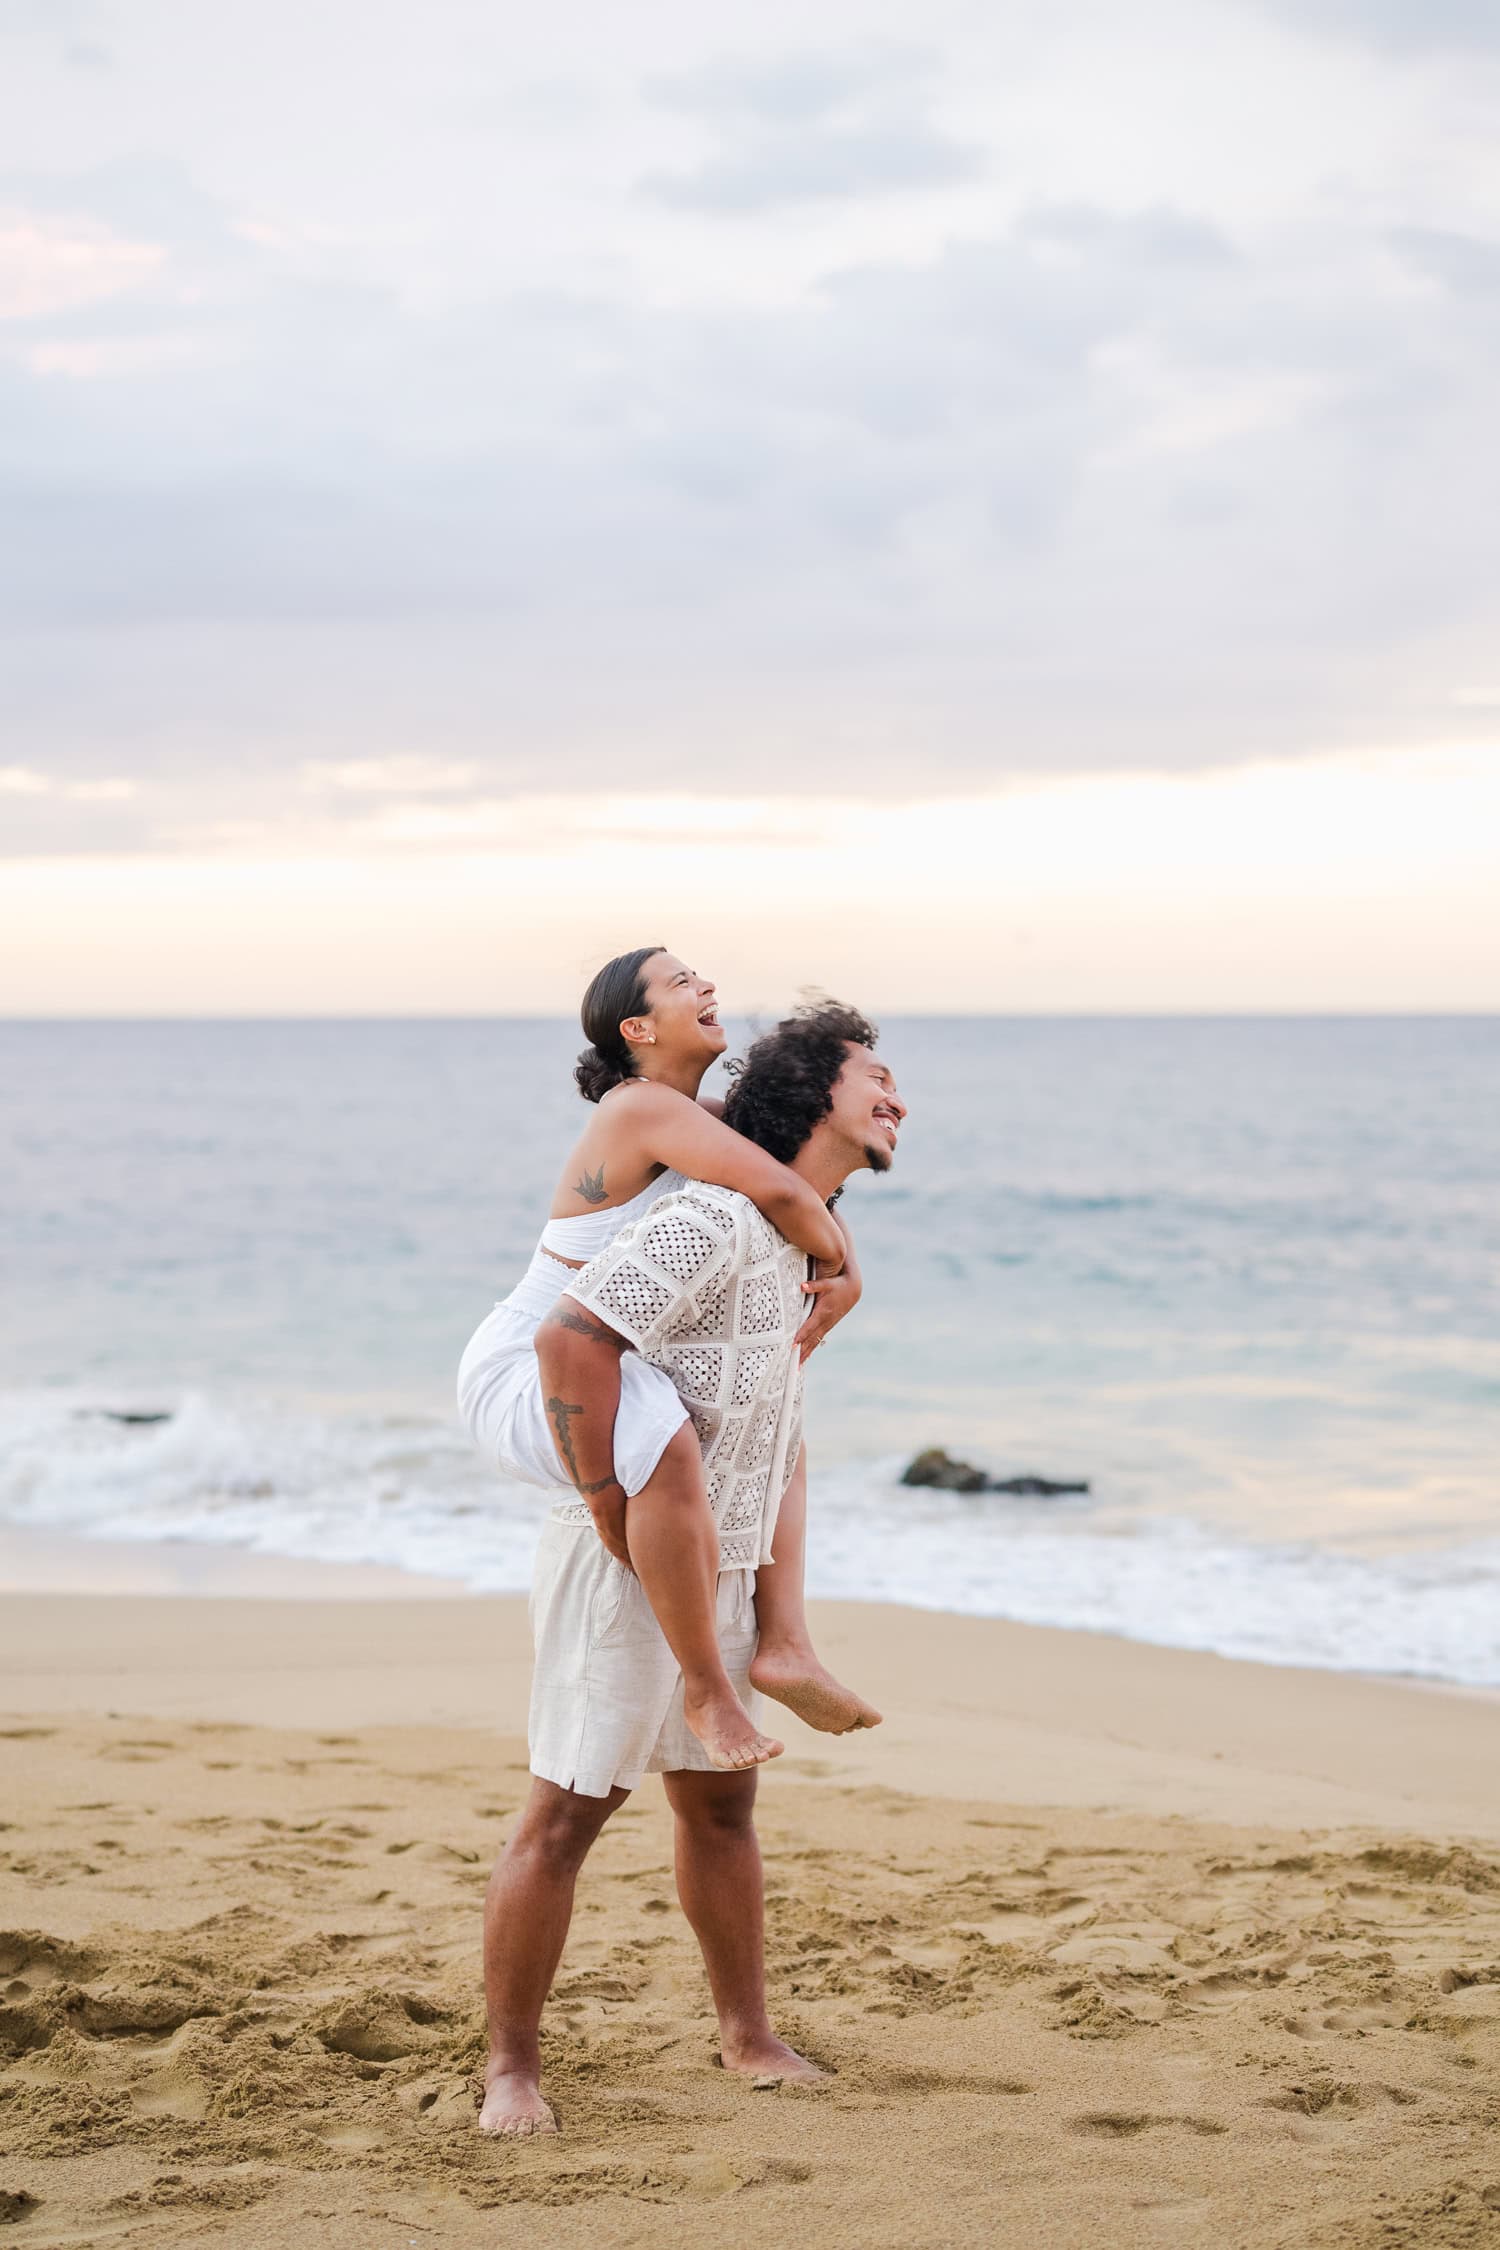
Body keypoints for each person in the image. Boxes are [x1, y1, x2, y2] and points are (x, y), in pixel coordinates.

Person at [479, 1002, 906, 2136]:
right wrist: (608, 1502)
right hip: (624, 1560)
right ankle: (510, 2070)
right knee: (563, 1821)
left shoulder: (796, 1241)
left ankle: (747, 2035)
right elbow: (567, 1341)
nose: (898, 1099)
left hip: (713, 1561)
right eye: (876, 1076)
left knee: (723, 1811)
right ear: (816, 1095)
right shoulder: (713, 1220)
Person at [457, 948, 879, 1771]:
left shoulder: (702, 1117)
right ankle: (706, 1689)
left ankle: (786, 1642)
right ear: (638, 1028)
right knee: (663, 1433)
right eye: (683, 982)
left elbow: (799, 1186)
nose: (708, 987)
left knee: (775, 1419)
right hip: (531, 1363)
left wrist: (840, 1255)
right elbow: (790, 1198)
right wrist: (846, 1270)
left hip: (603, 1355)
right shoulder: (638, 1107)